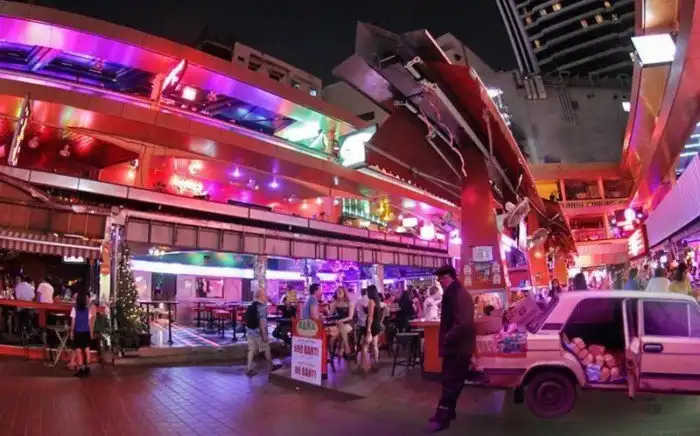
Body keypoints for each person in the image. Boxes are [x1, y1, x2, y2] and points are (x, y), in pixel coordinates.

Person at [428, 265, 475, 432]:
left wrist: (447, 338)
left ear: (451, 277)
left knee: (450, 383)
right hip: (457, 348)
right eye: (439, 279)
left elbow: (463, 324)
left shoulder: (458, 294)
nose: (440, 281)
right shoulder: (454, 293)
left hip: (457, 348)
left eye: (443, 278)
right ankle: (448, 413)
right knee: (452, 383)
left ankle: (442, 419)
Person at [245, 289, 282, 377]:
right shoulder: (262, 307)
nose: (265, 296)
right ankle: (272, 366)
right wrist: (264, 335)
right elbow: (262, 323)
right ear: (261, 296)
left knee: (251, 350)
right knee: (266, 349)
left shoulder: (251, 306)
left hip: (250, 331)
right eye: (264, 295)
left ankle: (248, 369)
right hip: (259, 332)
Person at [70, 289, 96, 376]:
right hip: (86, 332)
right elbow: (89, 322)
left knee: (78, 350)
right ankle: (87, 367)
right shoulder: (87, 310)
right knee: (87, 349)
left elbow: (73, 321)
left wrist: (71, 332)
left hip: (78, 332)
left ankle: (81, 368)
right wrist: (90, 332)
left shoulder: (74, 309)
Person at [358, 285, 382, 374]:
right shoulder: (378, 301)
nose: (367, 293)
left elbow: (370, 316)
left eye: (367, 291)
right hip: (377, 325)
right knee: (375, 345)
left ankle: (362, 366)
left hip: (372, 326)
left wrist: (368, 329)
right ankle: (375, 364)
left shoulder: (371, 301)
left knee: (364, 346)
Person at [330, 286, 355, 358]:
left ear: (344, 293)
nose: (338, 293)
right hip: (338, 324)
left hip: (349, 323)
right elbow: (331, 314)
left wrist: (341, 320)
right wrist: (331, 305)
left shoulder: (350, 303)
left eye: (340, 292)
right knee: (340, 327)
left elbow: (350, 317)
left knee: (341, 328)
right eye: (337, 292)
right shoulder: (335, 303)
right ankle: (345, 346)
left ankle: (341, 348)